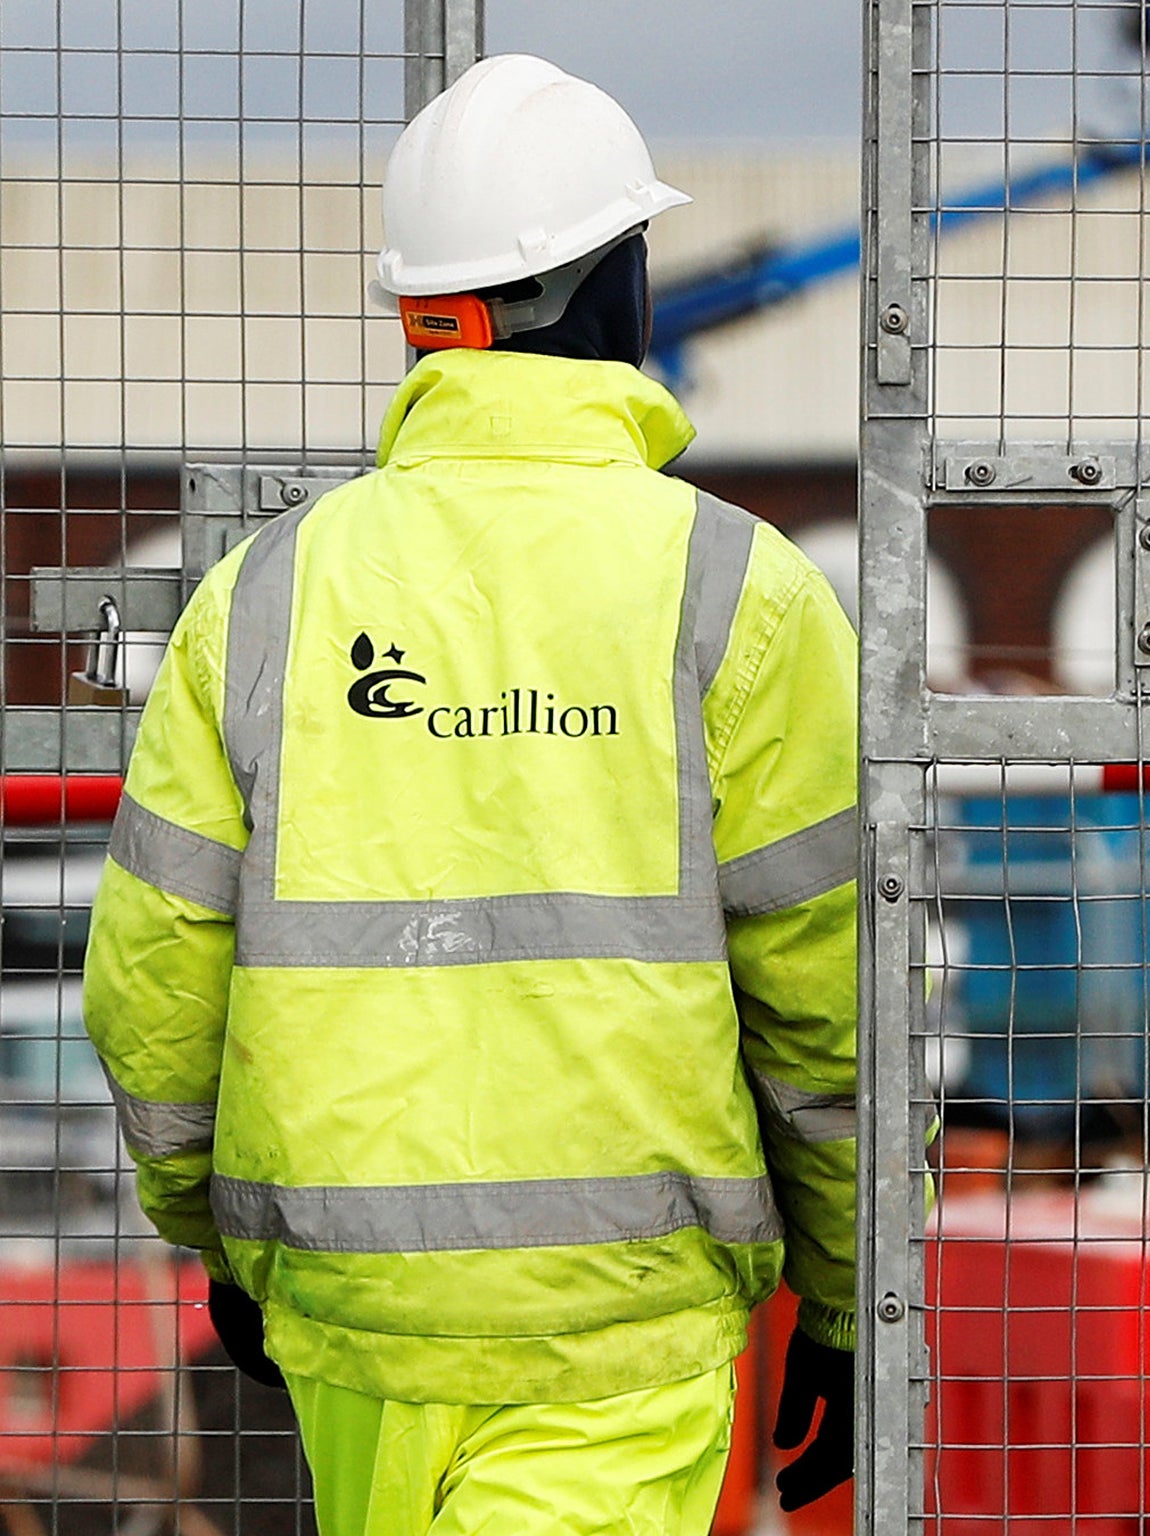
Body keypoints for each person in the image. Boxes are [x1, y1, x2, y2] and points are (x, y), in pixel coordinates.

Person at [83, 53, 860, 1533]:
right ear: (613, 291)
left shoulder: (266, 598)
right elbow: (829, 996)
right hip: (620, 1327)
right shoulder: (735, 591)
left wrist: (228, 1246)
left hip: (351, 1309)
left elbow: (152, 984)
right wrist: (842, 1287)